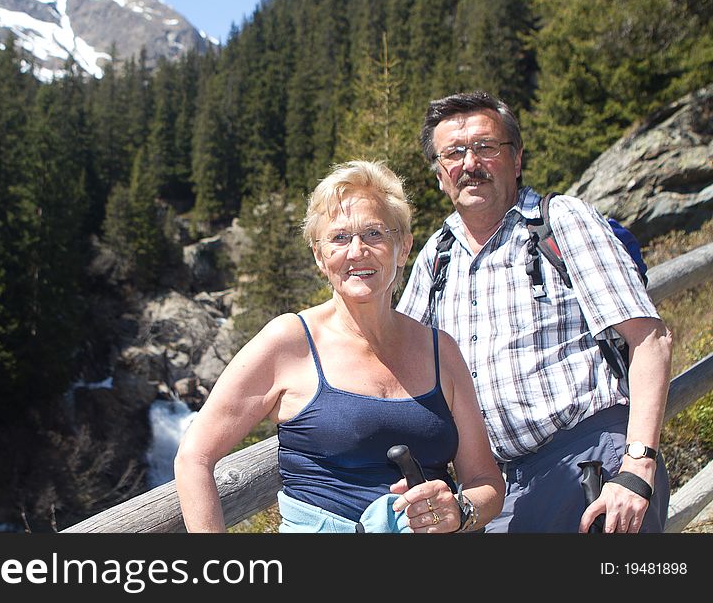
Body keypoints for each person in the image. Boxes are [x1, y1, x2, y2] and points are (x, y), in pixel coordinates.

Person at [174, 160, 504, 533]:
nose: (357, 251)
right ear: (319, 256)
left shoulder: (441, 351)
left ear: (403, 247)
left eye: (375, 234)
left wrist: (459, 510)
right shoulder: (288, 341)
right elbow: (194, 457)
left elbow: (486, 481)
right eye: (339, 238)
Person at [396, 91, 673, 533]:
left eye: (486, 147)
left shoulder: (561, 220)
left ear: (517, 158)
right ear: (439, 175)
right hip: (500, 488)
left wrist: (637, 467)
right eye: (453, 153)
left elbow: (649, 338)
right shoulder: (436, 256)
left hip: (591, 461)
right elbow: (399, 364)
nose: (470, 164)